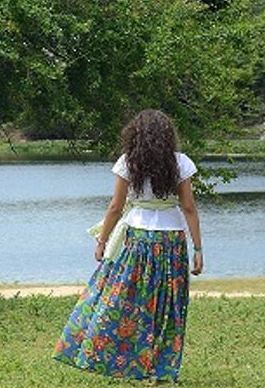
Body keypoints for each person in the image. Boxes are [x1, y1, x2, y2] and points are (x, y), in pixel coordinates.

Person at [55, 108, 204, 383]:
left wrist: (102, 241)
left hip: (137, 238)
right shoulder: (181, 163)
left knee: (123, 299)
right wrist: (198, 249)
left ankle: (109, 357)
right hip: (171, 240)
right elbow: (189, 208)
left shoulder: (128, 162)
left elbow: (115, 207)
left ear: (135, 134)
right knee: (169, 305)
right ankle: (162, 370)